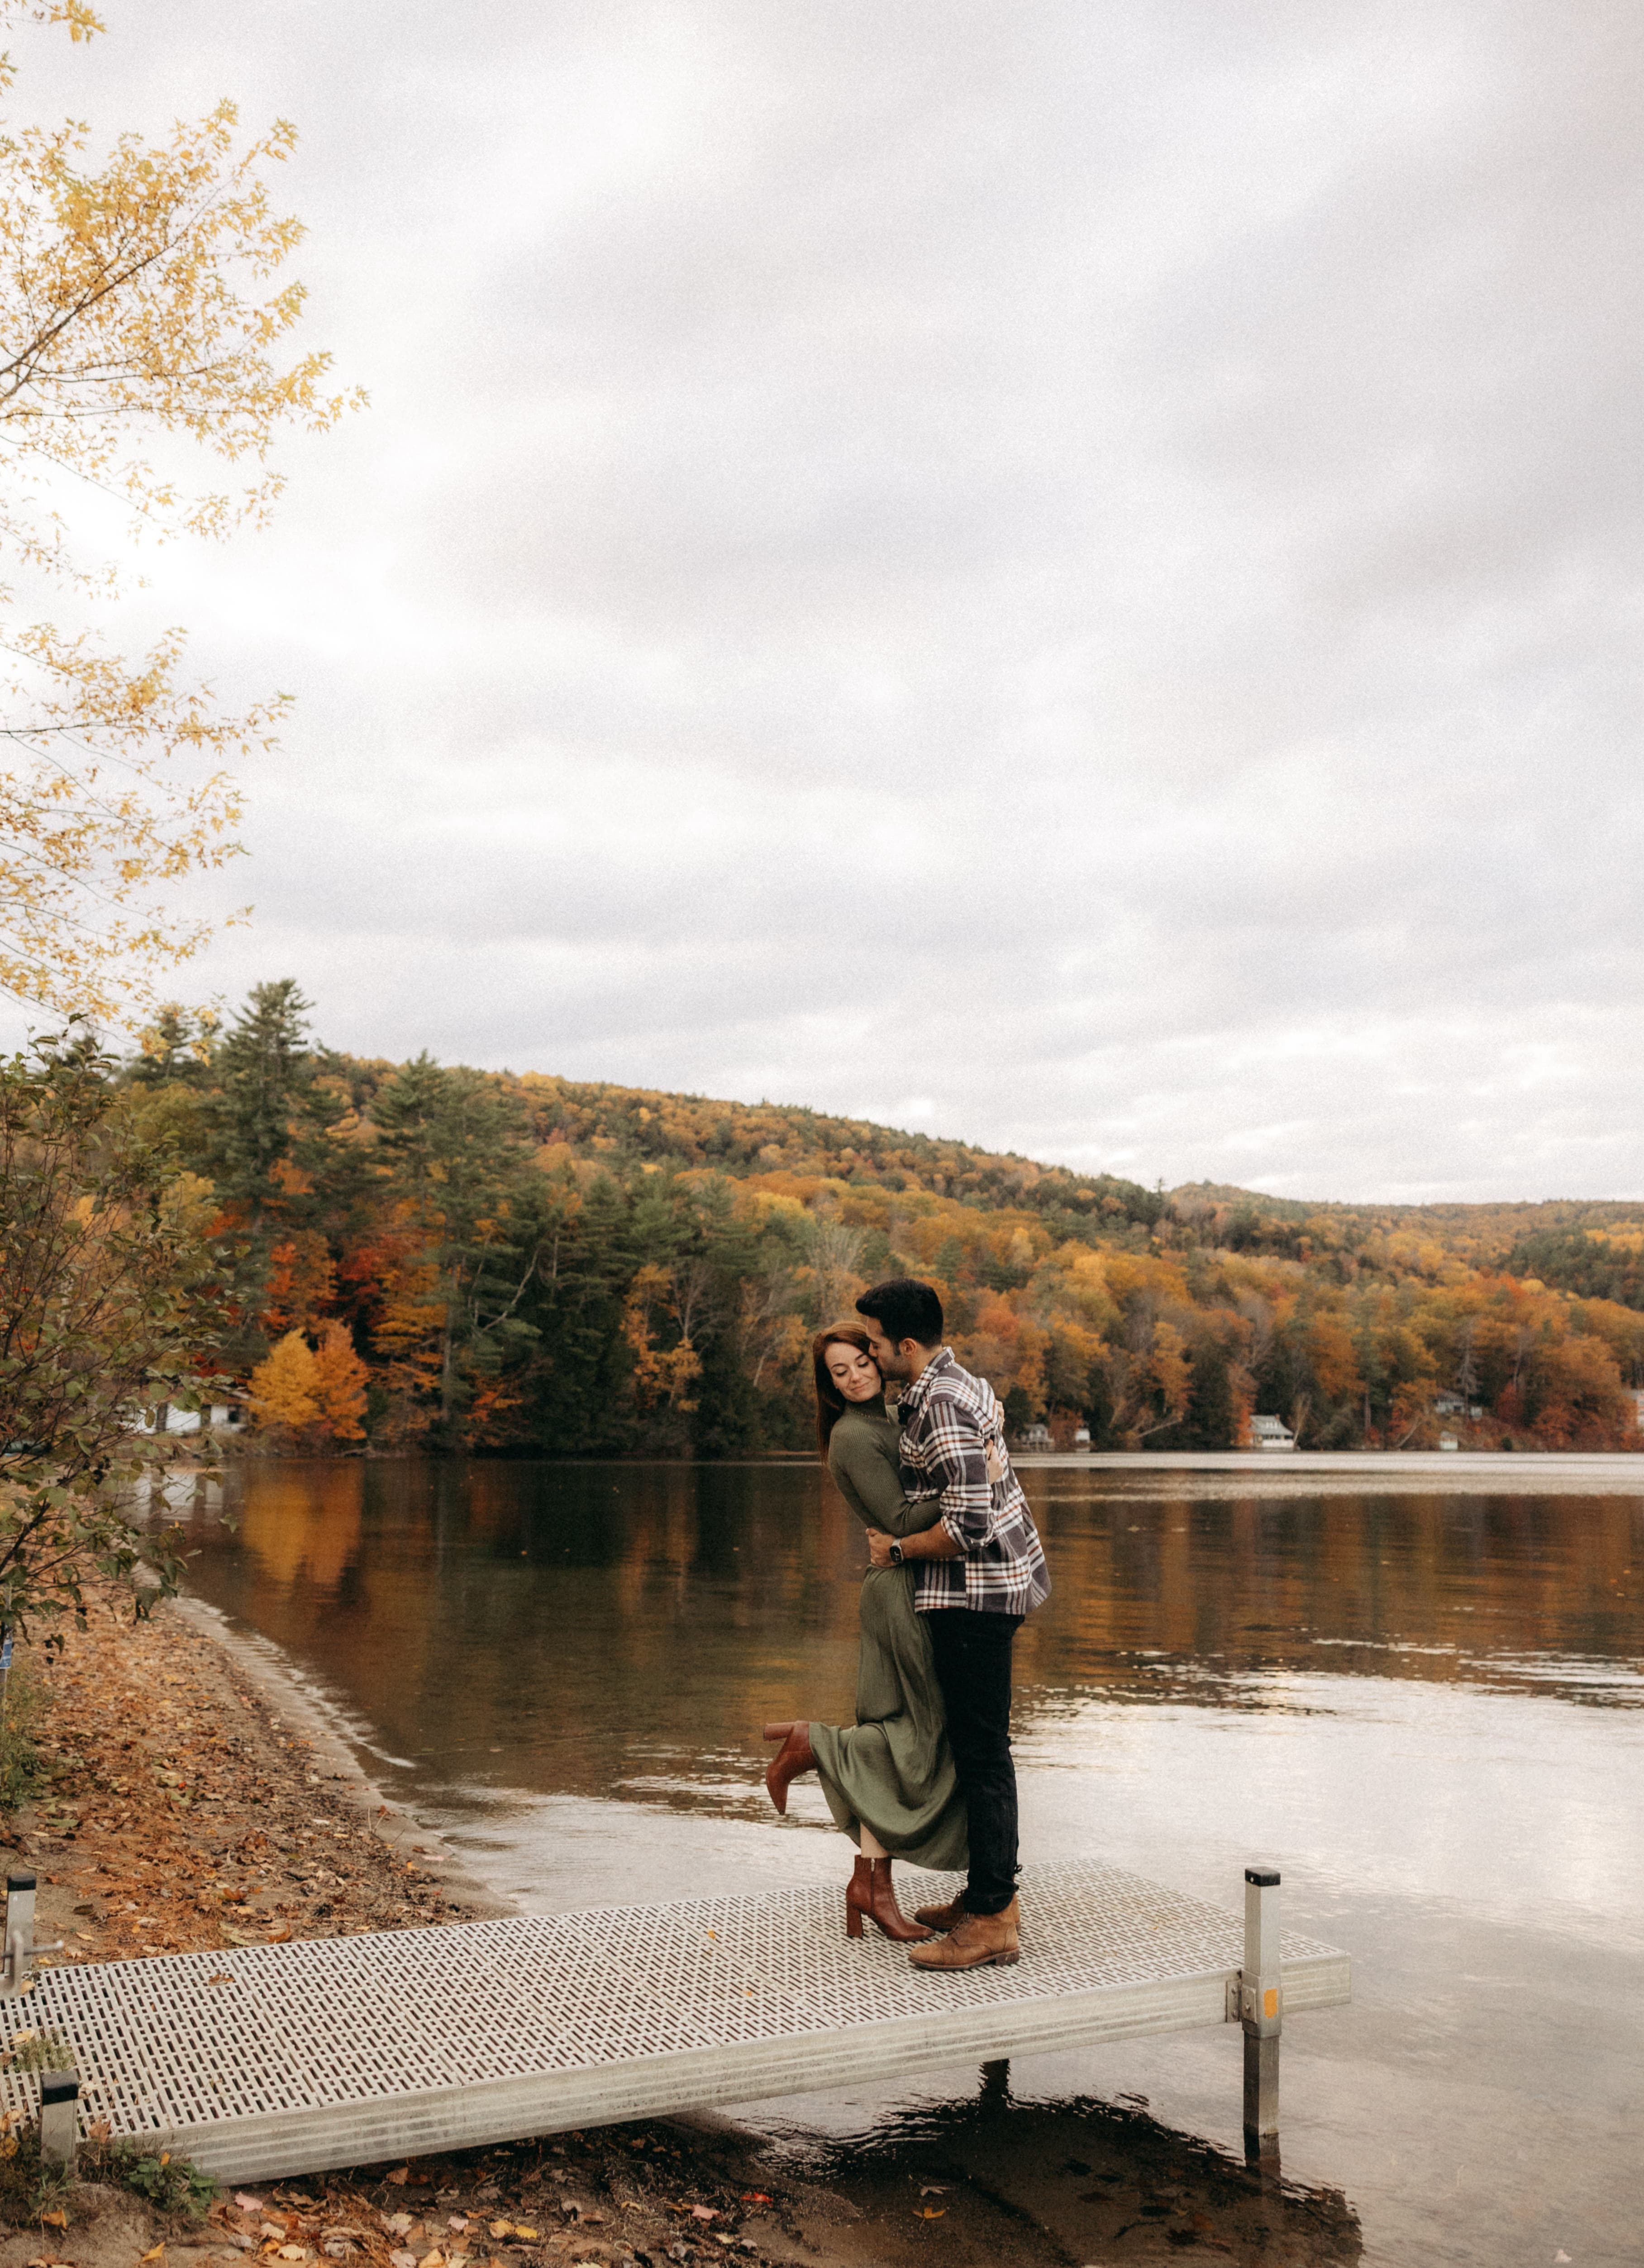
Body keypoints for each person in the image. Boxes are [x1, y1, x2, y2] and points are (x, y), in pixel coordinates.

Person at [854, 1277, 1050, 1972]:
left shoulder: (940, 1405)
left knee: (983, 1756)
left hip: (976, 1596)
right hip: (993, 1587)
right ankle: (986, 1898)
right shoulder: (956, 1382)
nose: (870, 1355)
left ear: (906, 1345)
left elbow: (966, 1527)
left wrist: (896, 1549)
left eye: (875, 1345)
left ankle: (993, 1919)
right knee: (978, 1751)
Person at [761, 1324, 969, 1944]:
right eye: (838, 1372)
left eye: (859, 1362)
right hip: (899, 1593)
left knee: (903, 1731)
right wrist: (967, 1479)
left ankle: (870, 1884)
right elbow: (900, 1520)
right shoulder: (851, 1437)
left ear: (879, 1359)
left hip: (916, 1581)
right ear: (827, 1385)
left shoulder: (898, 1419)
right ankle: (815, 1745)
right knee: (919, 1732)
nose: (854, 1376)